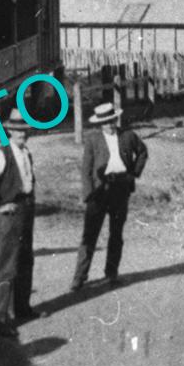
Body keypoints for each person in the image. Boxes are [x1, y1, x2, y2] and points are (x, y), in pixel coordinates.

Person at [0, 109, 41, 338]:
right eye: (18, 130)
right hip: (10, 214)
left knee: (25, 261)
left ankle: (22, 308)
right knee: (7, 266)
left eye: (26, 129)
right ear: (9, 131)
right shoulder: (0, 155)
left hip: (26, 210)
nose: (23, 133)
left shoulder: (26, 152)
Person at [71, 102, 148, 291]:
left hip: (121, 189)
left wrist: (133, 174)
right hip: (99, 192)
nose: (110, 125)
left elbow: (143, 152)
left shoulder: (128, 135)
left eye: (112, 120)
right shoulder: (92, 139)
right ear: (100, 124)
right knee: (89, 236)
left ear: (116, 119)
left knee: (116, 234)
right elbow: (86, 169)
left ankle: (111, 273)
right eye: (106, 122)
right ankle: (79, 278)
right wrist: (88, 194)